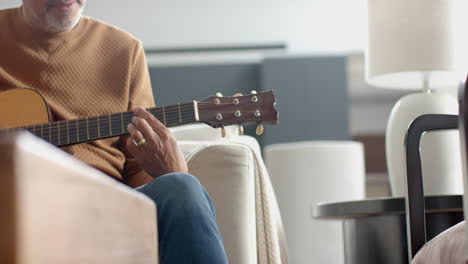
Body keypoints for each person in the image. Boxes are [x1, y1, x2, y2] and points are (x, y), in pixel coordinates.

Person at [0, 1, 229, 263]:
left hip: (103, 212)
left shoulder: (124, 51)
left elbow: (137, 174)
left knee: (182, 187)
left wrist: (169, 171)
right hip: (14, 208)